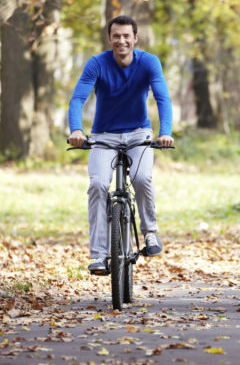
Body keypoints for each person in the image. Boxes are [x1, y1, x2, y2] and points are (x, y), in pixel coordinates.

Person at [68, 15, 174, 273]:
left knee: (142, 178)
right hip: (103, 136)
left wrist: (165, 132)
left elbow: (163, 98)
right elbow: (77, 99)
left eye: (127, 36)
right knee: (97, 185)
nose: (122, 40)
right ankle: (98, 255)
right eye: (116, 36)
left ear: (135, 38)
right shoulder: (97, 64)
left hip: (139, 134)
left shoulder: (149, 62)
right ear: (110, 38)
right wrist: (76, 129)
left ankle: (150, 233)